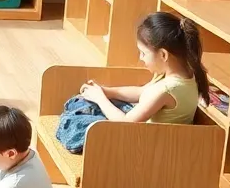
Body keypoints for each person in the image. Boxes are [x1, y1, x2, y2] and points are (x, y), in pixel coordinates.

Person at [79, 12, 210, 124]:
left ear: (163, 54)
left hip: (147, 146)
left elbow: (125, 123)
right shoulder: (184, 73)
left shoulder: (167, 90)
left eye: (143, 53)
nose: (141, 58)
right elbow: (141, 92)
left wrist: (100, 99)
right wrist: (105, 91)